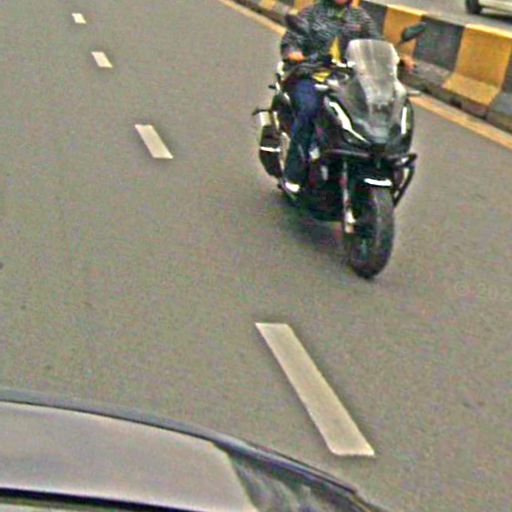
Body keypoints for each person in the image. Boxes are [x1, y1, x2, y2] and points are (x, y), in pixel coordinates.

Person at [280, 0, 415, 195]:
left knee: (373, 109)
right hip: (313, 77)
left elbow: (377, 44)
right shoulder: (311, 14)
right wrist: (296, 55)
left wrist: (399, 58)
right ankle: (293, 173)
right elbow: (291, 42)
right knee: (310, 111)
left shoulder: (360, 18)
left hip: (347, 83)